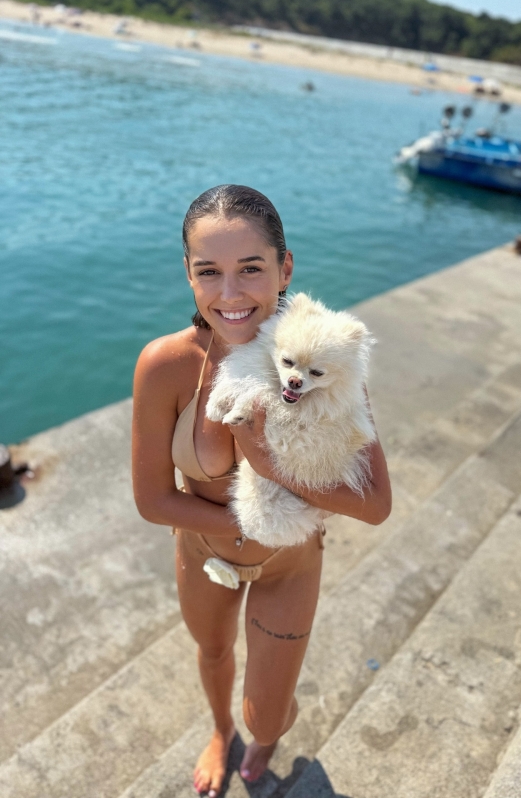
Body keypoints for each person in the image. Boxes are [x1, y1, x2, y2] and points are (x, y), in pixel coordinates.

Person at [132, 185, 392, 797]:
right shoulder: (165, 365)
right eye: (209, 271)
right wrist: (254, 520)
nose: (230, 293)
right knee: (212, 652)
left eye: (251, 268)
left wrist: (269, 465)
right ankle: (220, 730)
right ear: (189, 275)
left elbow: (377, 505)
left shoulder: (323, 361)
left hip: (289, 564)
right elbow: (153, 500)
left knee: (268, 717)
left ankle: (263, 729)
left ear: (285, 268)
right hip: (203, 553)